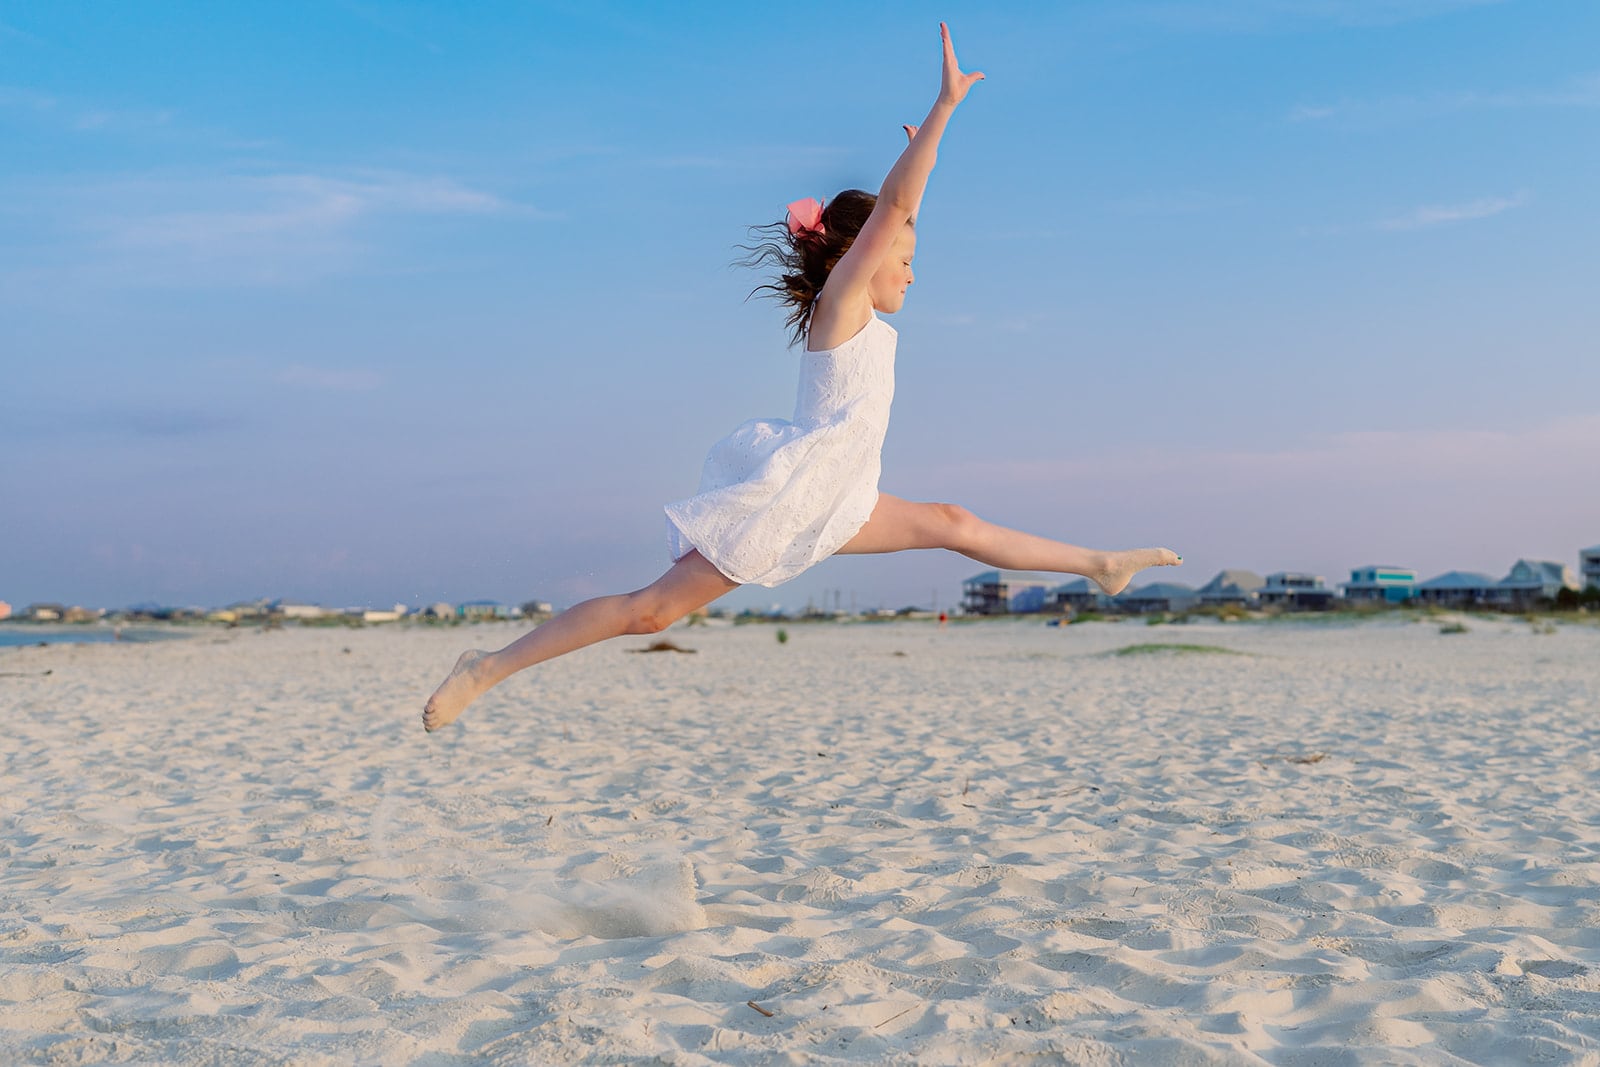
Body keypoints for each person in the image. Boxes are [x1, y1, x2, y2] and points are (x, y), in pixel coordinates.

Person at [423, 23, 1179, 733]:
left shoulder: (866, 314)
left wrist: (911, 189)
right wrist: (945, 111)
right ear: (864, 254)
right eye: (906, 260)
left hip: (844, 497)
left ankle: (1099, 563)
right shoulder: (842, 305)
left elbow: (898, 213)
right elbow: (897, 205)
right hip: (794, 495)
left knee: (953, 521)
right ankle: (488, 665)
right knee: (651, 611)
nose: (913, 277)